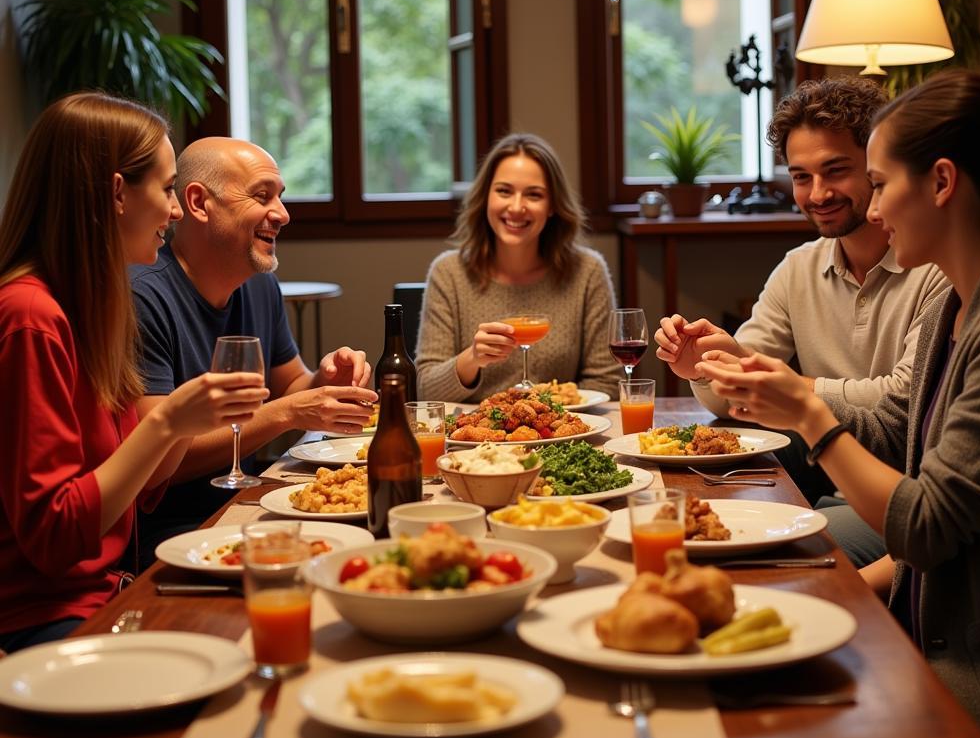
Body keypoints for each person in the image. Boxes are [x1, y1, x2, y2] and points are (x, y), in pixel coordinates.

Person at [697, 70, 980, 738]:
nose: (868, 208)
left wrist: (812, 415)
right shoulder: (953, 295)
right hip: (919, 609)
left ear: (942, 182)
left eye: (875, 183)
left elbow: (929, 524)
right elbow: (898, 429)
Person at [0, 94, 267, 652]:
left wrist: (183, 423)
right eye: (167, 189)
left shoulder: (93, 306)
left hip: (111, 591)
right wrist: (169, 420)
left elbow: (141, 488)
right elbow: (54, 537)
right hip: (48, 618)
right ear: (118, 193)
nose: (174, 211)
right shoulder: (30, 317)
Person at [654, 77, 949, 567]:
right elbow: (732, 397)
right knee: (693, 502)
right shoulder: (799, 267)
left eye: (836, 171)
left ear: (877, 170)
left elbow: (903, 400)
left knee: (759, 550)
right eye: (800, 176)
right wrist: (705, 365)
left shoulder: (934, 267)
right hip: (822, 467)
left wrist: (792, 388)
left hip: (901, 485)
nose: (818, 194)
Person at [130, 137, 375, 552]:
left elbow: (291, 382)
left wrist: (324, 377)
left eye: (280, 197)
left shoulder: (259, 283)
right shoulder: (142, 297)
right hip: (174, 531)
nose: (282, 214)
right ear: (197, 202)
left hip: (246, 503)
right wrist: (287, 413)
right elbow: (156, 460)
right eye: (262, 196)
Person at [416, 133, 621, 402]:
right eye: (504, 191)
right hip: (474, 439)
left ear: (552, 207)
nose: (516, 207)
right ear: (486, 197)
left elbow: (608, 381)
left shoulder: (587, 271)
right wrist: (472, 358)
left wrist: (549, 406)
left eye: (534, 195)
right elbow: (426, 389)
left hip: (563, 435)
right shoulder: (448, 273)